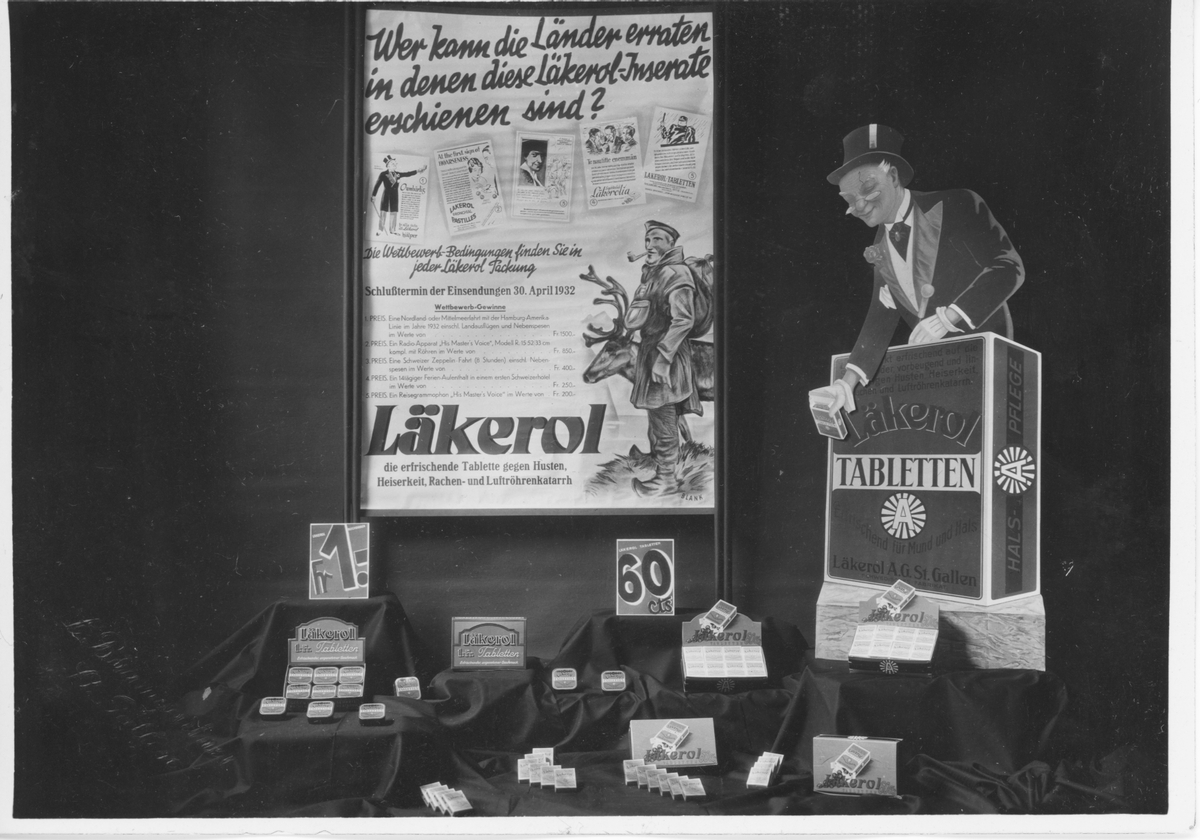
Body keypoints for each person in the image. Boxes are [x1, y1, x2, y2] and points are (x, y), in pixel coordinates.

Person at [820, 124, 1024, 412]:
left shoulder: (958, 203)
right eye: (851, 200)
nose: (861, 205)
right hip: (934, 372)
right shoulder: (880, 246)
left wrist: (949, 317)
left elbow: (1008, 267)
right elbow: (881, 317)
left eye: (867, 189)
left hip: (985, 360)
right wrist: (846, 383)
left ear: (893, 176)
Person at [628, 221, 702, 497]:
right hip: (652, 352)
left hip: (666, 355)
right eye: (648, 239)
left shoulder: (676, 273)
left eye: (657, 239)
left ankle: (667, 480)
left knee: (664, 415)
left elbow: (683, 320)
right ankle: (659, 463)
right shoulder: (654, 272)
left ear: (671, 243)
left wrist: (663, 357)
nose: (650, 245)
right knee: (656, 414)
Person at [370, 155, 427, 236]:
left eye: (395, 163)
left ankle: (392, 230)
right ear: (388, 165)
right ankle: (380, 229)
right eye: (393, 163)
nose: (395, 165)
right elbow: (377, 185)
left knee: (394, 212)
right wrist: (374, 195)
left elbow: (408, 174)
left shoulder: (398, 174)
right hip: (386, 195)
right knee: (383, 211)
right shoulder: (383, 174)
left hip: (394, 196)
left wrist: (418, 171)